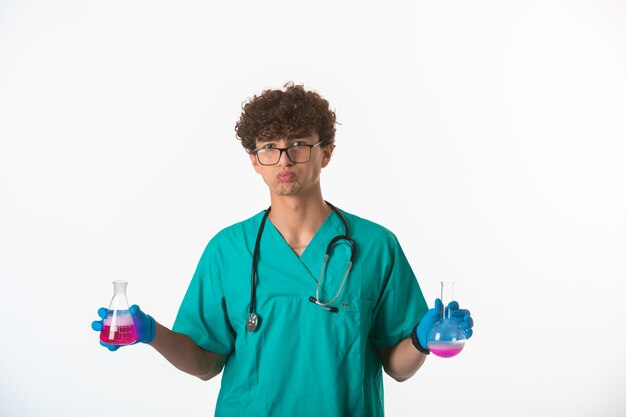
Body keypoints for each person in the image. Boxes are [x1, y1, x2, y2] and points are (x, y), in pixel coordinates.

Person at [92, 82, 474, 416]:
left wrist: (422, 341)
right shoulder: (228, 250)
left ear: (326, 152)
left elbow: (398, 366)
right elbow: (206, 362)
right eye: (269, 147)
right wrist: (151, 333)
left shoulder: (376, 246)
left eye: (299, 145)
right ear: (255, 161)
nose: (284, 159)